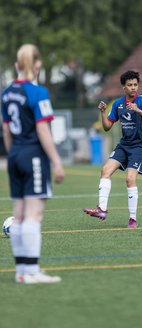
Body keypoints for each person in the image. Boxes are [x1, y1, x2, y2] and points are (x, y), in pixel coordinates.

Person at [1, 44, 65, 284]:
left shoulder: (6, 93)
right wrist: (57, 161)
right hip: (33, 155)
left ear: (17, 65)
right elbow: (42, 129)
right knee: (33, 216)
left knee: (18, 216)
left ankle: (21, 271)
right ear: (36, 65)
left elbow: (6, 129)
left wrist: (13, 155)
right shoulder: (38, 92)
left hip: (15, 154)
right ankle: (32, 271)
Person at [84, 70, 142, 228]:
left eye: (135, 84)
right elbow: (107, 127)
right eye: (129, 85)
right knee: (105, 170)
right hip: (124, 145)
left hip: (138, 146)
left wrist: (139, 110)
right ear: (123, 87)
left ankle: (132, 219)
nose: (133, 87)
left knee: (130, 179)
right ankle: (101, 210)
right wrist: (103, 113)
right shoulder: (118, 104)